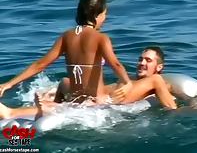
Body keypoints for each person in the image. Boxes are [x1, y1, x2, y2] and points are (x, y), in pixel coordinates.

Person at [0, 0, 132, 106]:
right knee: (146, 82)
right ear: (97, 15)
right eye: (104, 14)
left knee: (64, 82)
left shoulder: (66, 36)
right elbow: (115, 64)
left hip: (75, 101)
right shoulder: (101, 38)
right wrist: (127, 83)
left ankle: (52, 105)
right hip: (96, 102)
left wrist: (9, 84)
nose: (105, 18)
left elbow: (40, 64)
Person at [0, 46, 177, 119]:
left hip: (98, 103)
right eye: (140, 59)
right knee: (64, 84)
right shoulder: (130, 81)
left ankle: (12, 112)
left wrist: (190, 106)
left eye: (148, 60)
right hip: (91, 94)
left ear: (160, 67)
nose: (141, 63)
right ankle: (48, 102)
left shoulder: (157, 80)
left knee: (63, 103)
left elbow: (171, 106)